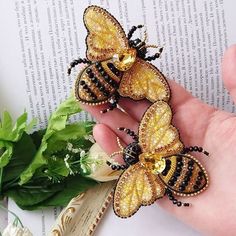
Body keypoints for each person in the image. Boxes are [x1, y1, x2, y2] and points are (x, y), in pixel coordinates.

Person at [82, 45, 236, 235]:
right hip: (178, 169)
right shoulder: (150, 140)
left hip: (175, 175)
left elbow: (160, 110)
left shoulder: (140, 164)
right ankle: (179, 190)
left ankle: (176, 195)